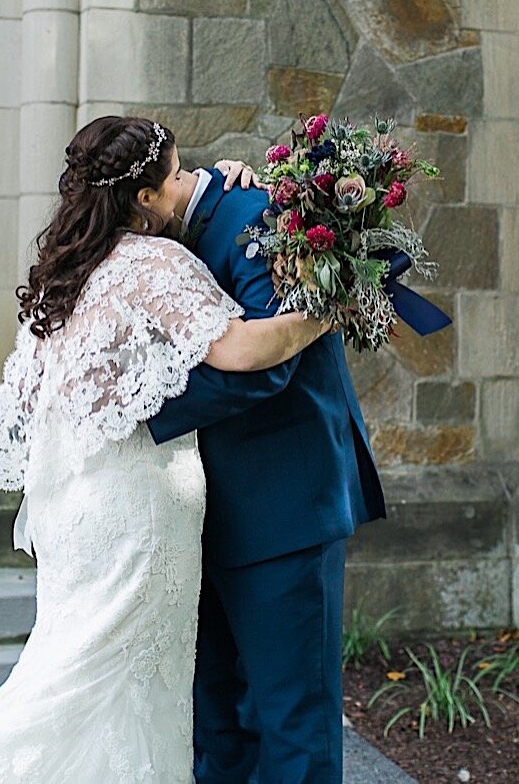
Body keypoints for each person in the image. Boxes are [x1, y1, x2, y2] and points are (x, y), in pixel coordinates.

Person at [0, 116, 329, 783]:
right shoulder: (155, 262)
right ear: (144, 197)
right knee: (118, 682)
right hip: (138, 507)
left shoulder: (64, 272)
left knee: (76, 671)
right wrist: (330, 305)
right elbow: (244, 349)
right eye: (176, 174)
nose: (191, 181)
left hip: (75, 506)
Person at [147, 153, 386, 783]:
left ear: (148, 196)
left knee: (293, 722)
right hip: (204, 511)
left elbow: (272, 366)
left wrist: (139, 409)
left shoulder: (253, 216)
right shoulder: (198, 219)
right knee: (218, 720)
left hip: (284, 506)